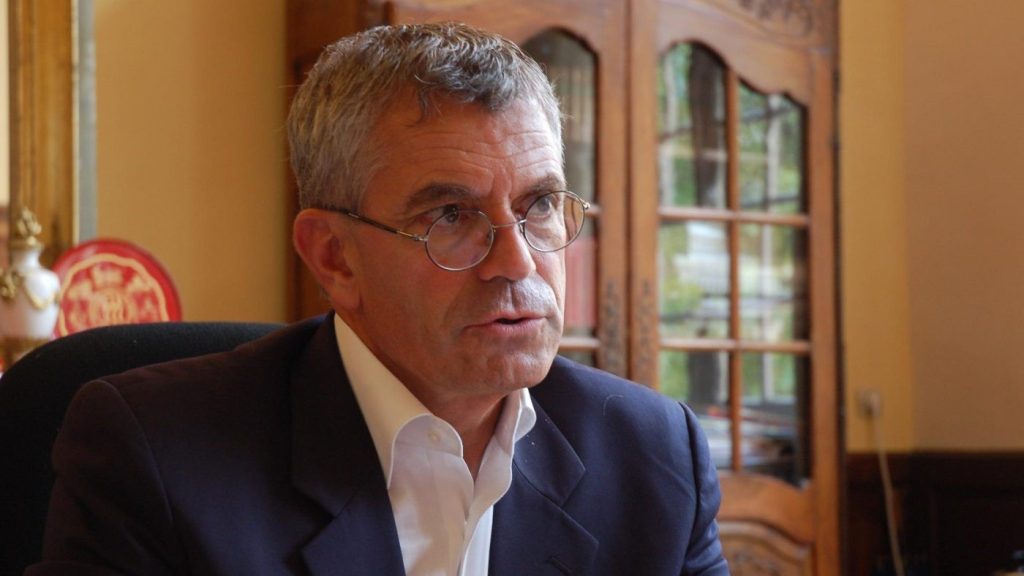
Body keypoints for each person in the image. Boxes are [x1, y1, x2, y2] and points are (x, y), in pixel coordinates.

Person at [28, 22, 728, 576]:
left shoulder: (654, 456)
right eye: (451, 216)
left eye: (539, 204)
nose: (518, 262)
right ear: (335, 257)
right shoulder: (155, 455)